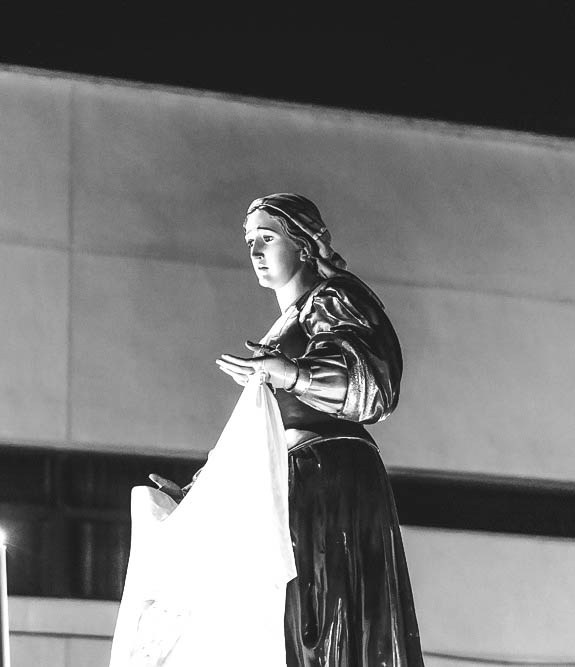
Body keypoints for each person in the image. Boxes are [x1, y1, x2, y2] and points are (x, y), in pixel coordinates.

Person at [158, 193, 423, 666]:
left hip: (328, 477)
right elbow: (262, 433)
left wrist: (294, 375)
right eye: (249, 242)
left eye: (267, 237)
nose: (255, 251)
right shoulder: (285, 326)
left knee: (319, 613)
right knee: (291, 618)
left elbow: (375, 386)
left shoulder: (334, 298)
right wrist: (199, 493)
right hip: (294, 483)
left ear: (302, 245)